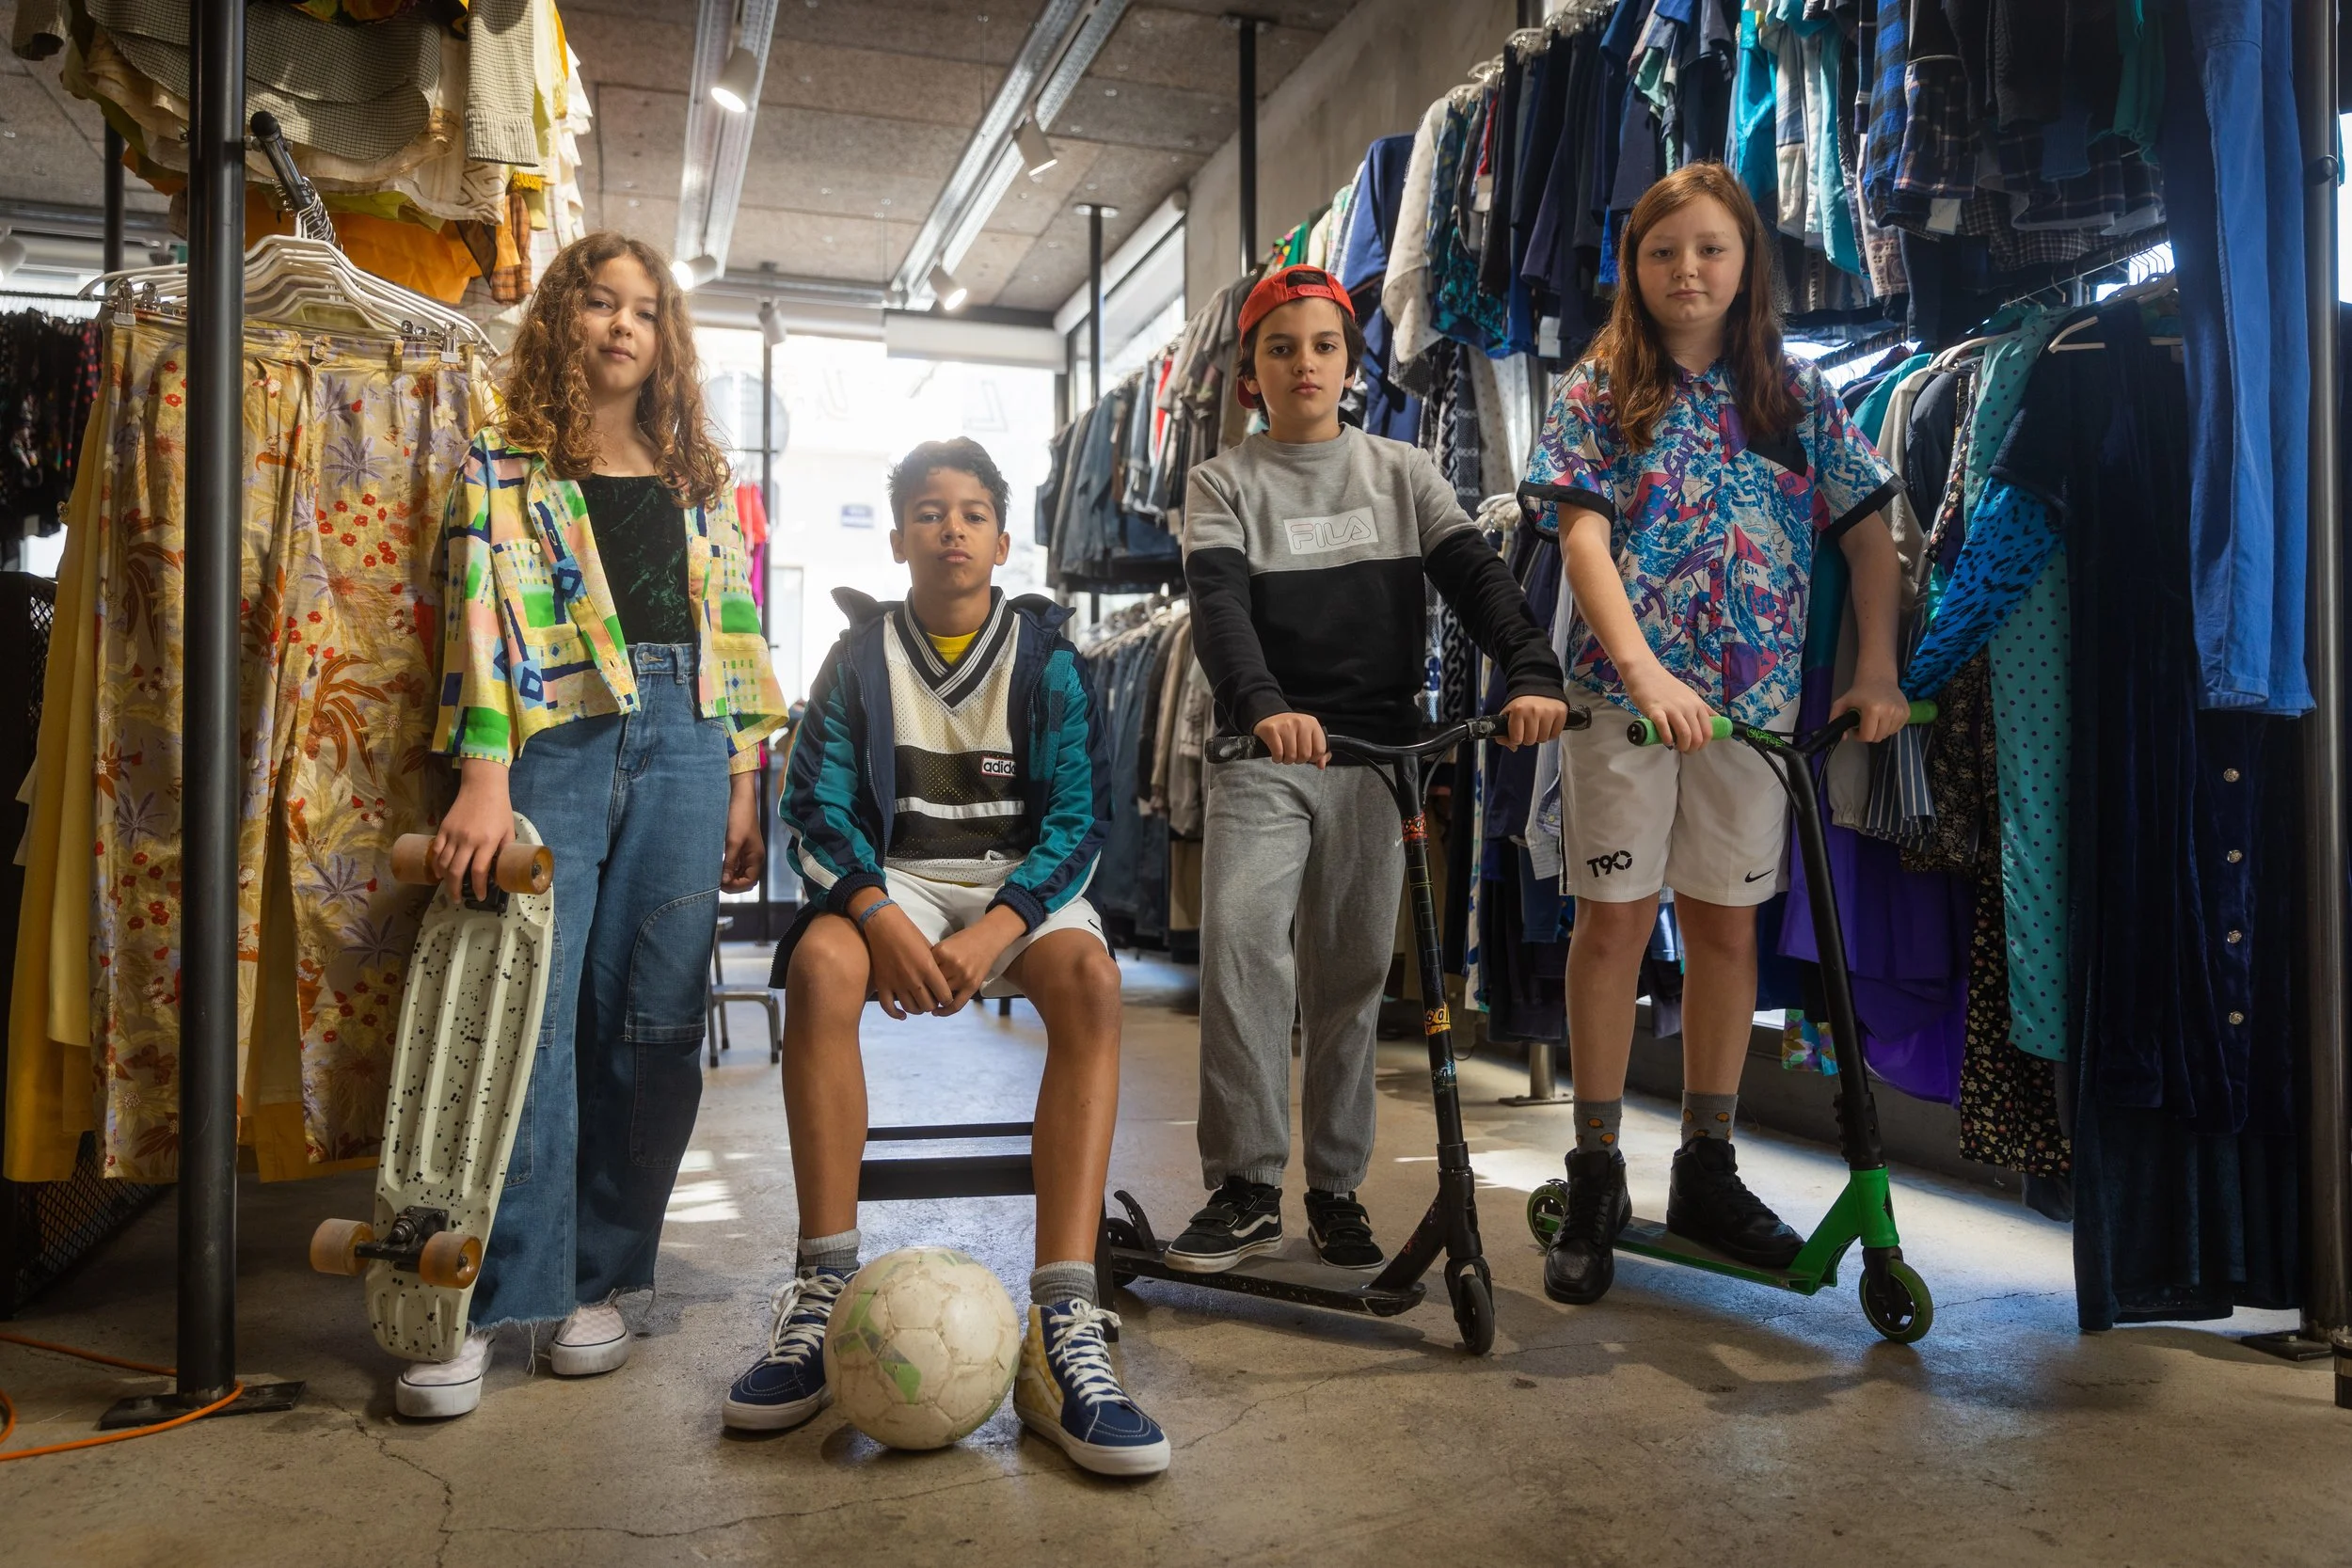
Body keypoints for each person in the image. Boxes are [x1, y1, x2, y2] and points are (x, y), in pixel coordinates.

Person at [723, 438, 1168, 1479]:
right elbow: (814, 812)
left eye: (972, 512)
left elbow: (1078, 822)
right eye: (929, 511)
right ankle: (823, 1287)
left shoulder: (1049, 655)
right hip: (896, 880)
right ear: (898, 538)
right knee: (820, 968)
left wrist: (994, 927)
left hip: (1014, 889)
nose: (952, 527)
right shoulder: (858, 655)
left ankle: (1064, 1317)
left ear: (1003, 540)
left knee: (1092, 983)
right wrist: (878, 916)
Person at [408, 233, 787, 1417]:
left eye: (644, 309)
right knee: (528, 1015)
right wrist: (482, 769)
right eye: (598, 303)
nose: (623, 324)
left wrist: (740, 781)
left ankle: (599, 1276)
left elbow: (735, 630)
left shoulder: (698, 480)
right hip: (552, 737)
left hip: (684, 736)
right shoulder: (504, 460)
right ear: (562, 321)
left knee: (656, 1015)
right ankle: (489, 1293)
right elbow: (477, 620)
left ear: (664, 338)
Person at [1521, 164, 1910, 1307]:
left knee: (1727, 933)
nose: (1686, 271)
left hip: (1754, 711)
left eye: (1709, 249)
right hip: (1620, 705)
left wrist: (1875, 669)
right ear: (1632, 270)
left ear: (1747, 263)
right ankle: (1595, 1170)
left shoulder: (1795, 396)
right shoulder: (1599, 391)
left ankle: (1705, 1162)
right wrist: (1643, 673)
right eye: (1661, 252)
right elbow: (1583, 544)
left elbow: (1869, 536)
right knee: (1613, 923)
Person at [1168, 264, 1569, 1275]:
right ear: (1250, 372)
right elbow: (1220, 616)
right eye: (1279, 347)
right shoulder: (1223, 482)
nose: (1303, 362)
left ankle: (1336, 1189)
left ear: (1349, 361)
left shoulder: (1404, 473)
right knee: (1245, 948)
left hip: (1379, 756)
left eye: (1322, 344)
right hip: (1264, 755)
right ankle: (1246, 1183)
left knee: (1352, 977)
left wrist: (1529, 666)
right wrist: (1264, 707)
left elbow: (1479, 582)